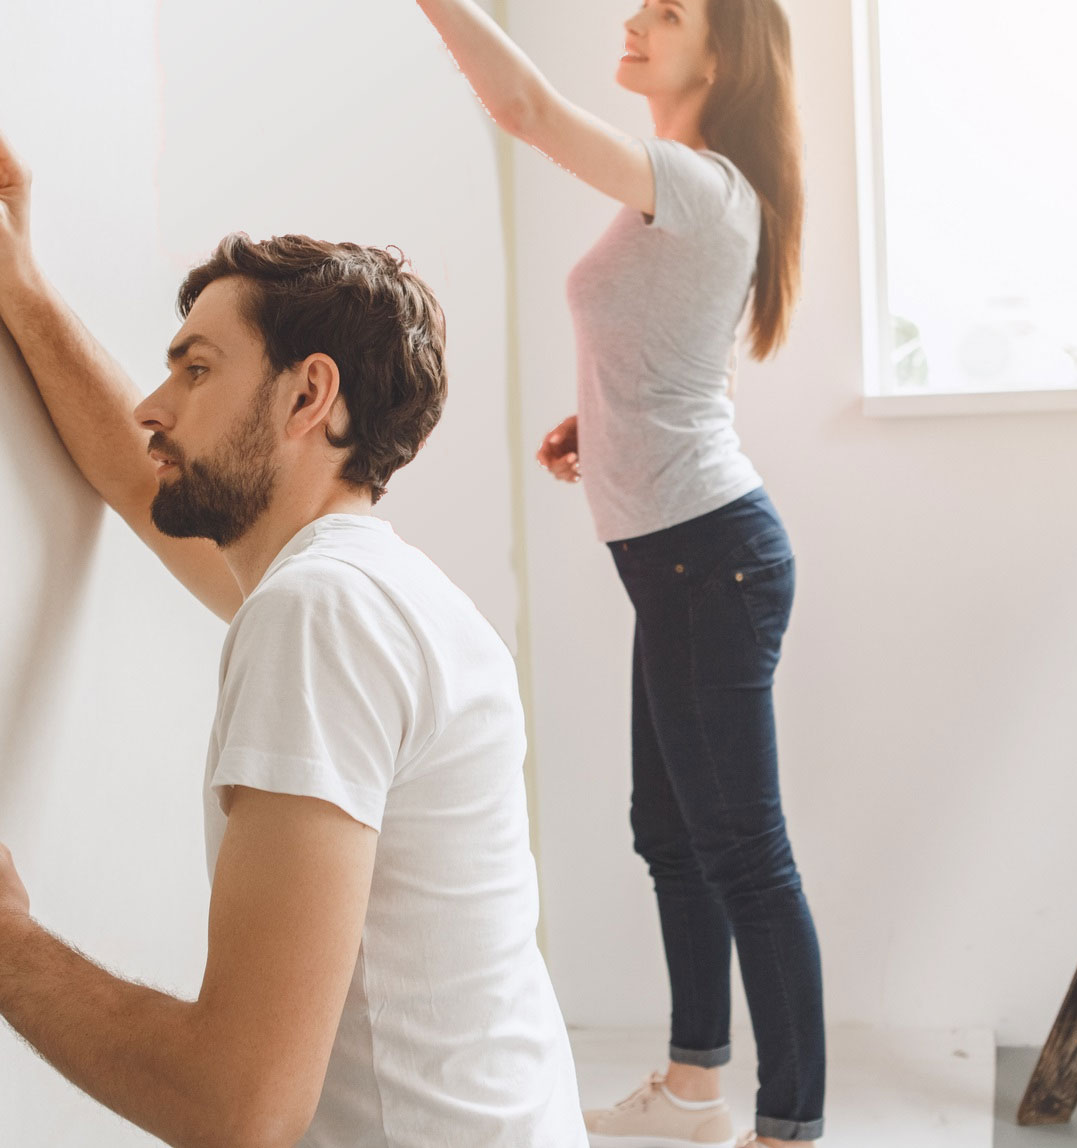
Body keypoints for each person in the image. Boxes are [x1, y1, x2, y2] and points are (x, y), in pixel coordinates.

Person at [0, 118, 587, 1148]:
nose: (153, 401)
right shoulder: (375, 588)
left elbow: (239, 1105)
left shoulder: (322, 614)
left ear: (308, 394)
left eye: (196, 369)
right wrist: (14, 276)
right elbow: (136, 478)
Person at [413, 1, 821, 1145]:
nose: (637, 20)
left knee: (744, 848)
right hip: (681, 557)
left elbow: (527, 108)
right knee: (671, 831)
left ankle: (789, 1125)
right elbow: (675, 357)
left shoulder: (695, 180)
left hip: (711, 559)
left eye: (668, 11)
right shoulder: (692, 187)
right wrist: (593, 423)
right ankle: (695, 1089)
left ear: (720, 54)